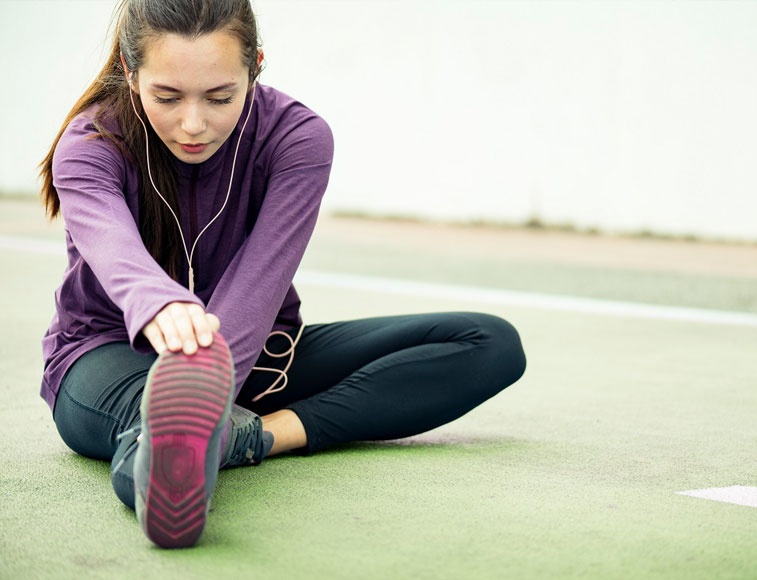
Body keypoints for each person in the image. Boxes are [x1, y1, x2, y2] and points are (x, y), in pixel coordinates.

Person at [38, 0, 526, 549]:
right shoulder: (90, 145)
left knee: (489, 342)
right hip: (108, 357)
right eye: (167, 97)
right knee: (168, 431)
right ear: (130, 73)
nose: (193, 124)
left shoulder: (297, 138)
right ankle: (176, 451)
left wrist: (213, 378)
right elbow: (115, 251)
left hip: (258, 358)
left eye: (220, 97)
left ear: (257, 66)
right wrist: (160, 306)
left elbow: (260, 282)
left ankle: (257, 436)